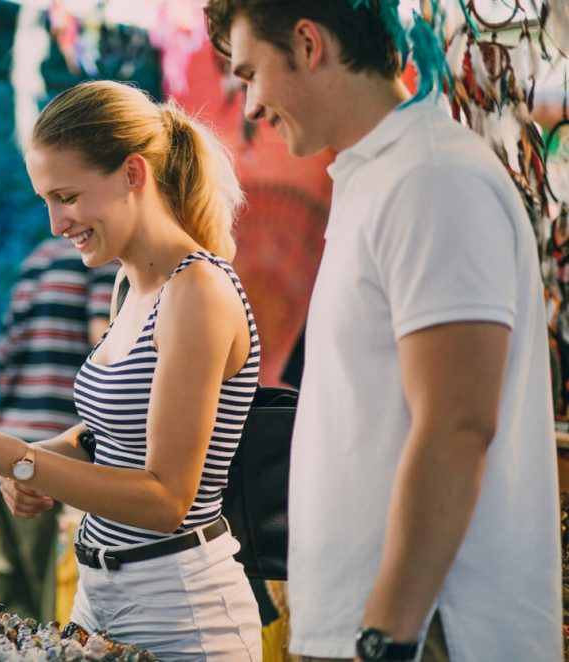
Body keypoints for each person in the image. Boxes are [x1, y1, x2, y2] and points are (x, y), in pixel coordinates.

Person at [203, 2, 561, 661]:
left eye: (251, 73)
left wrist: (386, 636)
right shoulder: (376, 175)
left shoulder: (431, 177)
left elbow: (457, 423)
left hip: (428, 631)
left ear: (309, 44)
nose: (249, 105)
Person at [0, 79, 262, 660]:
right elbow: (103, 438)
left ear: (133, 174)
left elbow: (167, 499)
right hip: (100, 599)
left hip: (179, 616)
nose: (54, 223)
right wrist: (16, 459)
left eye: (66, 197)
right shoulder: (129, 284)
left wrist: (10, 457)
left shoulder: (196, 289)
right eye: (47, 200)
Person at [0, 235, 117, 622]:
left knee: (9, 610)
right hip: (57, 453)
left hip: (9, 445)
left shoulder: (35, 259)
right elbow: (105, 343)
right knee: (51, 606)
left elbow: (3, 355)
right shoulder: (102, 262)